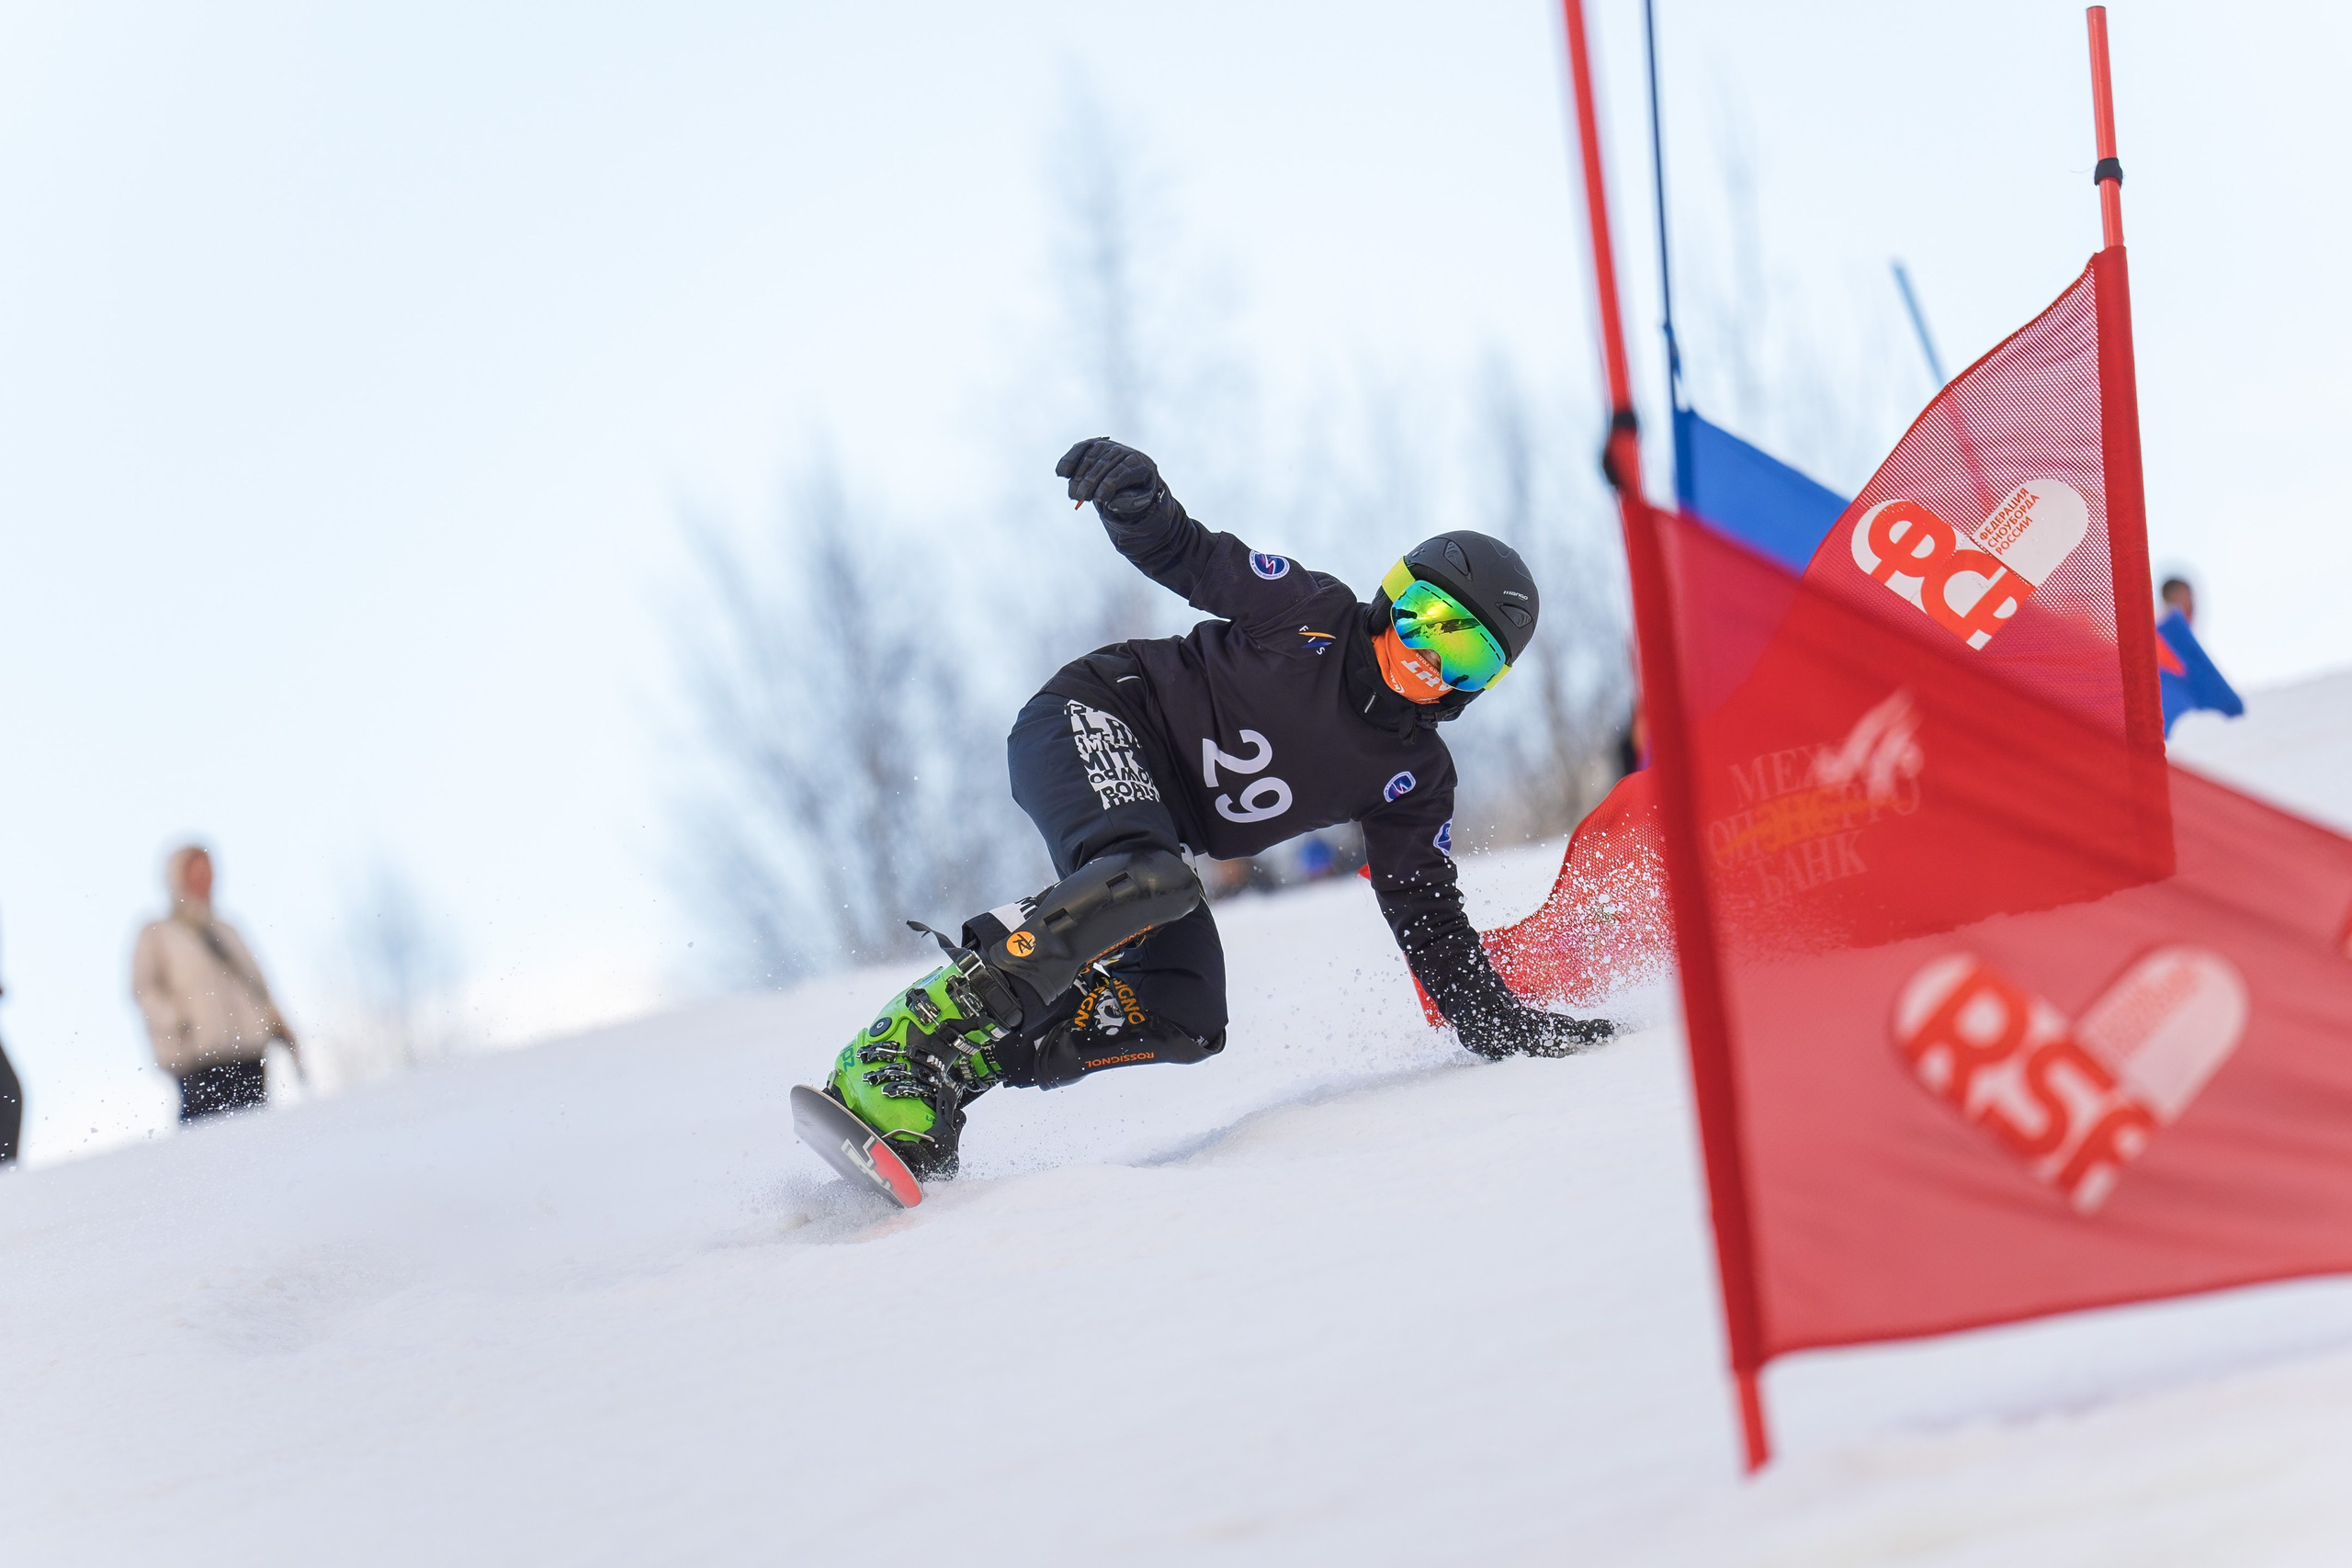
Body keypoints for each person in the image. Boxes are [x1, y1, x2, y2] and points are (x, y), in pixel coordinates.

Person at [821, 438, 1612, 1179]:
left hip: (1154, 837)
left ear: (1481, 685)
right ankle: (898, 1046)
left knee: (1185, 1010)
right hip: (1092, 716)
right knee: (1149, 878)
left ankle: (947, 1074)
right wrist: (1137, 501)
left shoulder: (1415, 776)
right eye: (1425, 620)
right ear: (1391, 597)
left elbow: (1428, 919)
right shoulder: (1310, 612)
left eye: (1467, 656)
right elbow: (1188, 553)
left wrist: (1502, 1025)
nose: (1430, 657)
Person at [131, 845, 300, 1122]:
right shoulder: (158, 934)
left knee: (258, 1133)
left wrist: (276, 1023)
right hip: (198, 1059)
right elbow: (144, 989)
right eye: (195, 872)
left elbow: (257, 985)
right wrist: (177, 1022)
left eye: (207, 872)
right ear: (177, 877)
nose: (204, 880)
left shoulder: (228, 930)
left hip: (249, 1053)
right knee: (207, 1138)